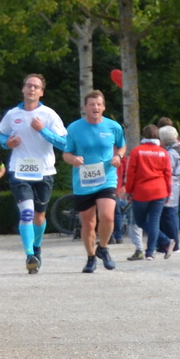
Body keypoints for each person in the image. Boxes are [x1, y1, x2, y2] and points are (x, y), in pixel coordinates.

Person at [0, 73, 69, 274]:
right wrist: (7, 143)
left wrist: (42, 130)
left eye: (36, 87)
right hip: (19, 170)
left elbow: (64, 143)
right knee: (27, 213)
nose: (31, 89)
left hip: (44, 171)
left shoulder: (49, 115)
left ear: (41, 92)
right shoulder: (12, 114)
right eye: (28, 85)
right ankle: (29, 254)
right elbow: (2, 135)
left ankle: (36, 248)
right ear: (23, 89)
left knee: (39, 217)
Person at [62, 90, 125, 272]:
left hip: (106, 178)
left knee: (107, 216)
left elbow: (122, 145)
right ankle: (90, 257)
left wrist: (119, 156)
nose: (95, 108)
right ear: (85, 108)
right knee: (88, 223)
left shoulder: (113, 127)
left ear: (103, 107)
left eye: (99, 104)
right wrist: (73, 159)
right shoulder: (74, 128)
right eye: (92, 104)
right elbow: (66, 153)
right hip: (84, 181)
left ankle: (103, 248)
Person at [122, 126, 170, 261]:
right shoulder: (163, 152)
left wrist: (129, 191)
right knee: (154, 221)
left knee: (140, 221)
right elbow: (168, 174)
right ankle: (150, 252)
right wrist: (168, 192)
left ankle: (165, 241)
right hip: (160, 190)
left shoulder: (137, 152)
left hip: (142, 191)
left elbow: (131, 174)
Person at [159, 125, 180, 257]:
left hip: (170, 185)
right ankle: (170, 244)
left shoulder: (170, 153)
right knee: (171, 214)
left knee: (168, 215)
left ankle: (173, 243)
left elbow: (167, 171)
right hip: (176, 184)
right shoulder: (179, 150)